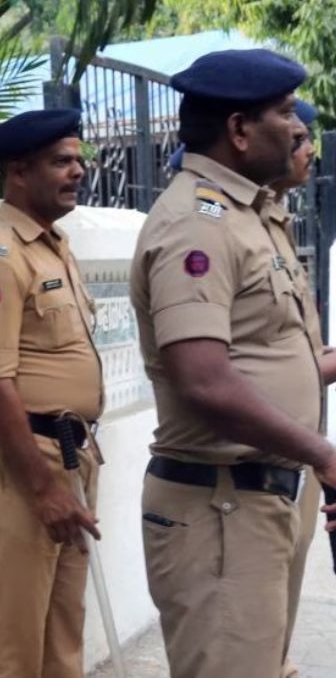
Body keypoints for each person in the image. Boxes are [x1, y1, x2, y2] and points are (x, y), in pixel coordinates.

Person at [131, 49, 336, 678]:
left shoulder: (247, 214)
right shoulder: (198, 223)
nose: (297, 129)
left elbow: (262, 352)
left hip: (256, 501)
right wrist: (323, 452)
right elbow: (205, 382)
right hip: (220, 509)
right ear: (240, 130)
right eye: (284, 113)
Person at [0, 109, 104, 678]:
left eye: (78, 160)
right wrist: (43, 489)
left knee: (64, 631)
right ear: (19, 171)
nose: (78, 172)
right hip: (30, 462)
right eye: (61, 161)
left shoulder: (53, 245)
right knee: (15, 640)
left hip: (73, 453)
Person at [266, 99, 325, 678]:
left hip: (297, 459)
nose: (306, 150)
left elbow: (294, 358)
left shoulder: (277, 226)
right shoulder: (221, 230)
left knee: (279, 615)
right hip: (251, 471)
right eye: (298, 136)